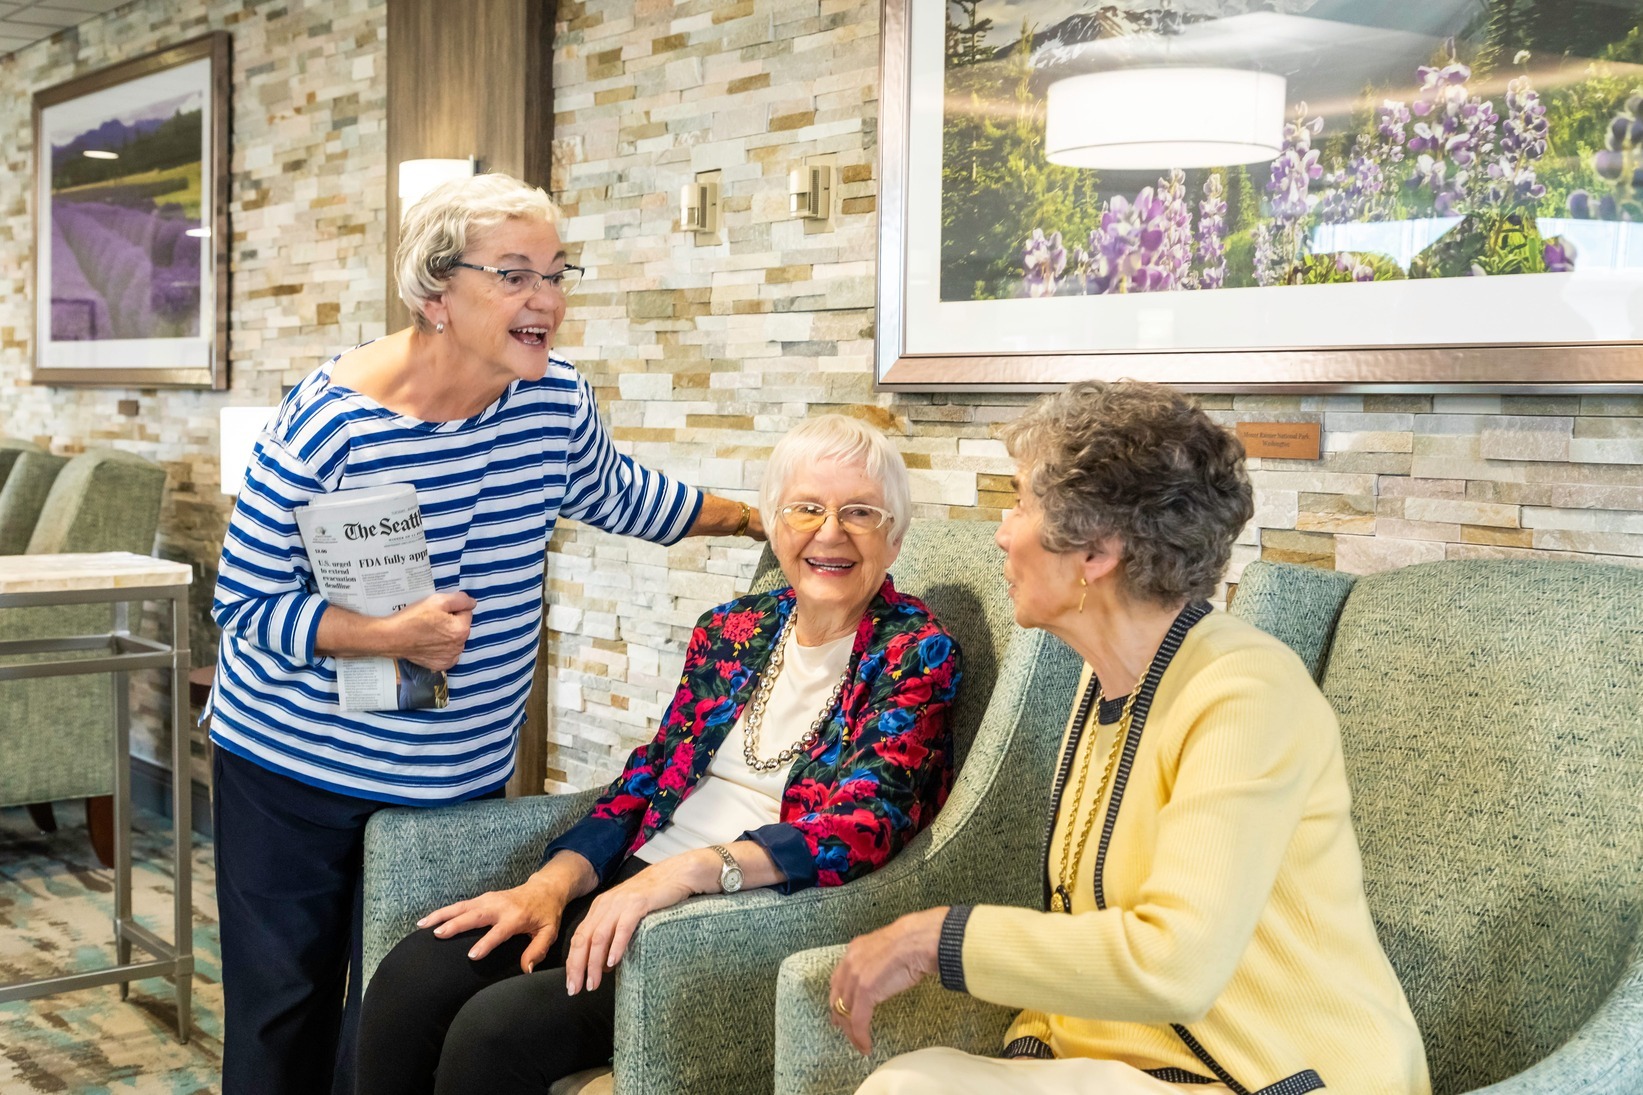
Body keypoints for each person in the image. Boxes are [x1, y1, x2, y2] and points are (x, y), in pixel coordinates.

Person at [208, 172, 766, 1095]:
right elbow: (244, 605)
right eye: (514, 275)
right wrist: (384, 634)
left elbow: (623, 494)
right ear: (435, 294)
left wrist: (758, 518)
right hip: (291, 773)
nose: (545, 298)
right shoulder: (329, 426)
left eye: (556, 272)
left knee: (390, 1024)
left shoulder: (553, 402)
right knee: (282, 1019)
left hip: (450, 784)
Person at [826, 381, 1431, 1095]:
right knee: (909, 1078)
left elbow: (1173, 962)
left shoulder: (1245, 691)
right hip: (1136, 1070)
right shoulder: (1104, 681)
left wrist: (937, 938)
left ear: (1094, 552)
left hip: (1275, 1075)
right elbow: (1084, 922)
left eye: (1019, 502)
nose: (1000, 529)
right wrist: (1031, 1048)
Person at [355, 413, 963, 1094]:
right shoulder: (734, 629)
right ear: (774, 519)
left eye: (860, 512)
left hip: (733, 915)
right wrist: (552, 882)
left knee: (497, 1030)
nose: (829, 532)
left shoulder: (915, 651)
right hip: (632, 881)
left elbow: (862, 826)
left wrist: (682, 874)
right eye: (805, 508)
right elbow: (649, 775)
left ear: (895, 535)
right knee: (415, 974)